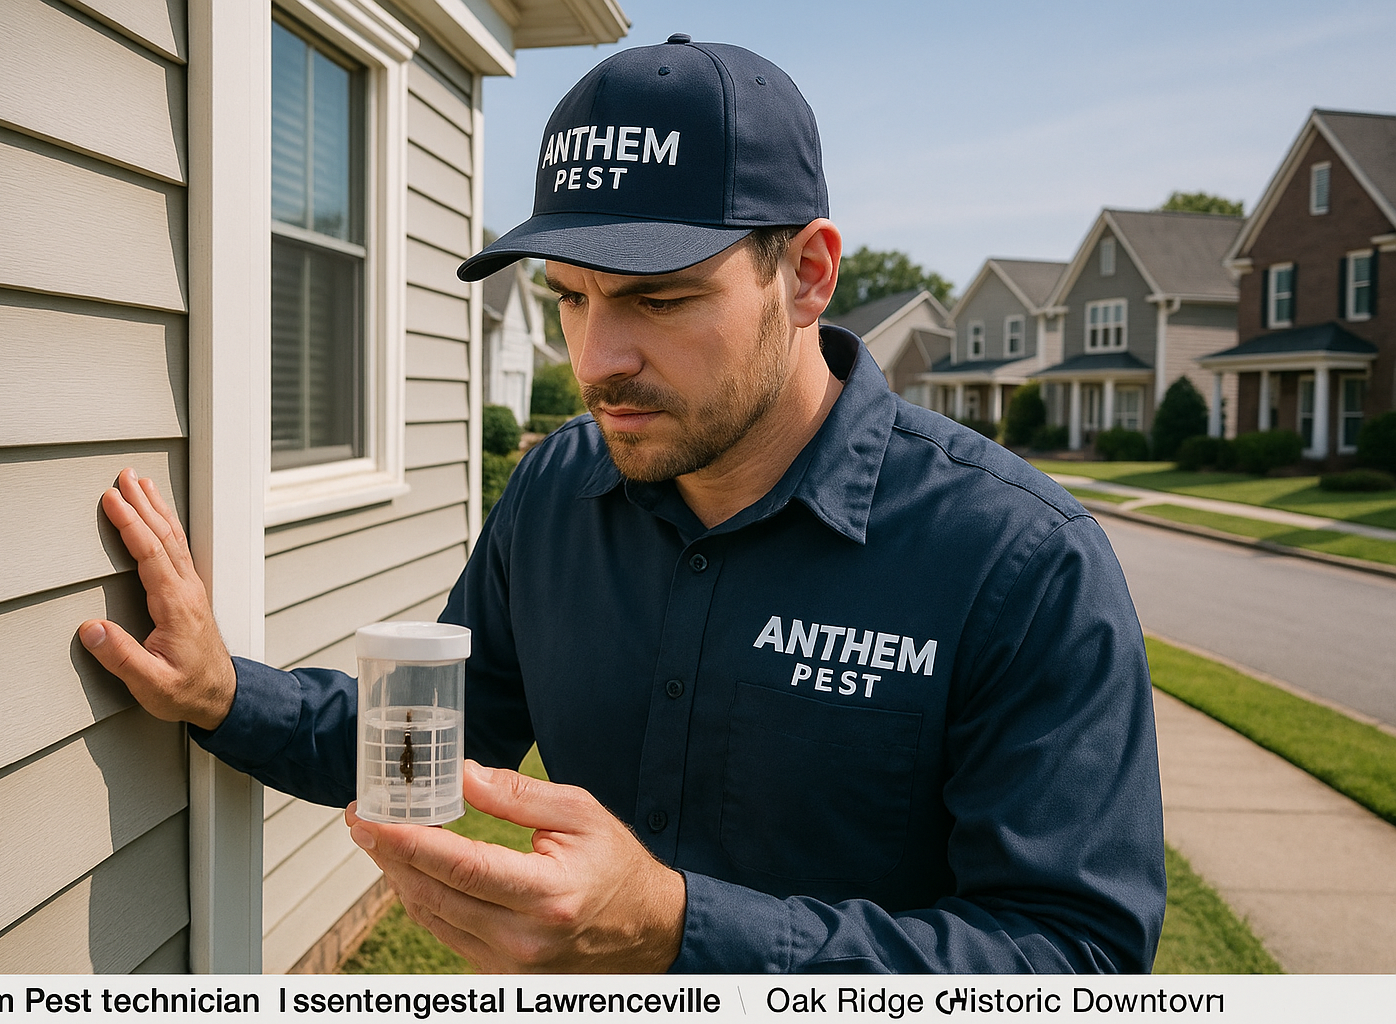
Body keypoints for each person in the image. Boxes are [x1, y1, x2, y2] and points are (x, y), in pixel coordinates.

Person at [80, 36, 1164, 973]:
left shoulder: (1018, 561)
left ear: (807, 273)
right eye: (569, 296)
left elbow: (1075, 957)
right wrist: (224, 693)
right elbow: (437, 735)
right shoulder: (557, 491)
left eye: (660, 297)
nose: (597, 359)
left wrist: (677, 929)